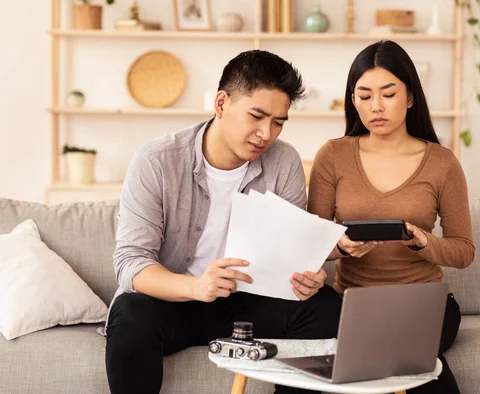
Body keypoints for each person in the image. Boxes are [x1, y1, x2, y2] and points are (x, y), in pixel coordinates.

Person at [105, 50, 342, 394]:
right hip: (175, 299)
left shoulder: (284, 160)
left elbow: (291, 249)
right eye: (257, 116)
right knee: (130, 313)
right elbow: (130, 264)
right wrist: (196, 287)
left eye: (278, 122)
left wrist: (305, 276)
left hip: (247, 302)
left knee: (324, 307)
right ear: (221, 103)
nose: (266, 133)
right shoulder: (156, 160)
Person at [307, 40, 475, 394]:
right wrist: (340, 247)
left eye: (388, 93)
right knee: (388, 361)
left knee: (387, 359)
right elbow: (311, 246)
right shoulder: (333, 155)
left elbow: (464, 251)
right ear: (353, 100)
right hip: (354, 305)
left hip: (426, 304)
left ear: (410, 98)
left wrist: (423, 242)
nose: (376, 106)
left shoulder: (443, 162)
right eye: (364, 96)